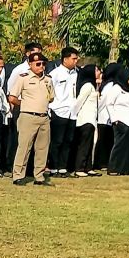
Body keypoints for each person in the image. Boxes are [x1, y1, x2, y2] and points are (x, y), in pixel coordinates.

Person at [8, 51, 54, 185]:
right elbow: (12, 97)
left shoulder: (48, 79)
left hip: (44, 117)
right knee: (24, 147)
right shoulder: (23, 78)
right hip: (28, 116)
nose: (41, 66)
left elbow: (51, 97)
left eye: (43, 64)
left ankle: (39, 176)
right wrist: (25, 104)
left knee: (42, 148)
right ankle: (18, 175)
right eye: (38, 64)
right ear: (30, 64)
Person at [48, 47, 79, 175]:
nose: (76, 61)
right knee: (57, 141)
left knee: (68, 141)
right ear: (65, 59)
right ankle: (54, 167)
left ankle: (63, 167)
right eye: (74, 58)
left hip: (72, 112)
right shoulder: (55, 73)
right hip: (58, 110)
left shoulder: (77, 73)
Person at [99, 64, 129, 176]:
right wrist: (115, 119)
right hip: (120, 120)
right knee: (119, 144)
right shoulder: (116, 89)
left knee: (128, 145)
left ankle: (126, 168)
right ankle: (113, 167)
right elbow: (109, 104)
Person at [72, 64, 101, 177]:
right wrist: (74, 115)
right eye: (97, 70)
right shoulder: (87, 86)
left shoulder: (93, 86)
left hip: (92, 119)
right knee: (84, 145)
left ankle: (88, 167)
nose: (99, 72)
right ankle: (79, 168)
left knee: (90, 144)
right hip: (85, 119)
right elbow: (78, 102)